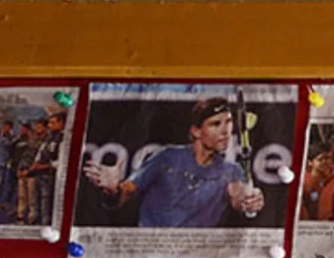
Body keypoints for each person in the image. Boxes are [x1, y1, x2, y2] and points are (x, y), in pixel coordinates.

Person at [85, 96, 264, 230]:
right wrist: (113, 189)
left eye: (229, 123)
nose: (226, 131)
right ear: (196, 131)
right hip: (150, 251)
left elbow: (238, 197)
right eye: (216, 124)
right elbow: (125, 193)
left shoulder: (231, 171)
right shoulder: (166, 157)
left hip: (196, 256)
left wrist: (250, 200)